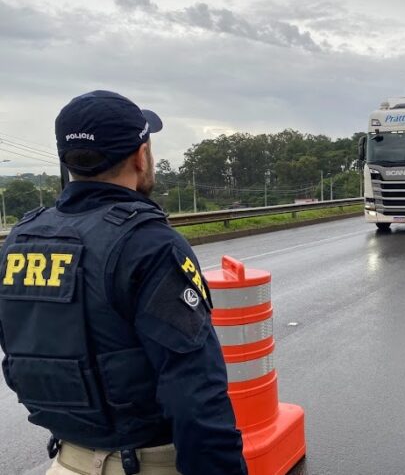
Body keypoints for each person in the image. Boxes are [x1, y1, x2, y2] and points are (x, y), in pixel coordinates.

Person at [0, 91, 247, 475]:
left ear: (68, 160)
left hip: (66, 462)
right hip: (146, 464)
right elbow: (196, 397)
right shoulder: (148, 244)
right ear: (141, 155)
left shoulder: (20, 239)